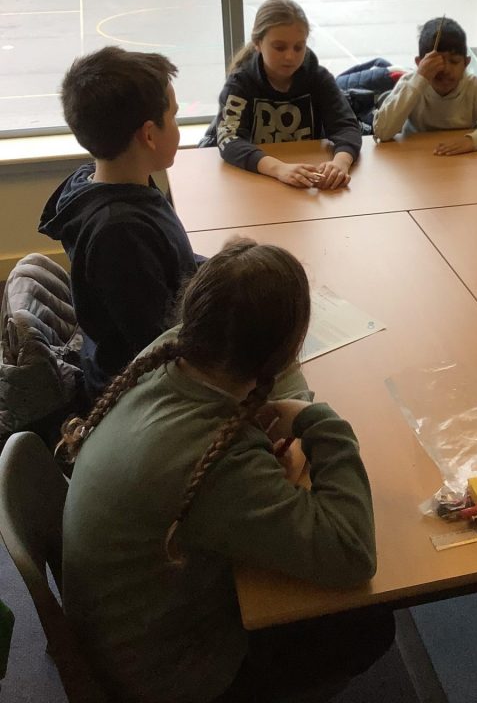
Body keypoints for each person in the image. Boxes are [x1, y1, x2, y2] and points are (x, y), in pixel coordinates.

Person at [60, 239, 394, 703]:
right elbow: (351, 553)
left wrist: (275, 394)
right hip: (172, 677)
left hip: (120, 628)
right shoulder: (216, 462)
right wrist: (318, 422)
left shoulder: (174, 351)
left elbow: (277, 381)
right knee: (369, 625)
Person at [39, 47, 198, 401]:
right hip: (136, 392)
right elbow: (159, 347)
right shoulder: (120, 233)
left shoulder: (117, 183)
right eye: (173, 116)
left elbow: (173, 263)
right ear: (149, 135)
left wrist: (224, 270)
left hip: (155, 350)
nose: (178, 126)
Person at [203, 0, 362, 190]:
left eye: (299, 47)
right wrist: (278, 169)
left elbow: (346, 126)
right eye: (279, 47)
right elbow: (230, 140)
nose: (290, 56)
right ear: (258, 43)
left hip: (305, 180)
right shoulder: (240, 84)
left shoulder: (319, 78)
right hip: (256, 182)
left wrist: (340, 163)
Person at [372, 17, 477, 154]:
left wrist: (474, 141)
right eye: (435, 62)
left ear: (466, 63)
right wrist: (420, 78)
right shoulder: (411, 83)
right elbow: (382, 132)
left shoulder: (474, 88)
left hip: (460, 161)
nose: (445, 70)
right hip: (416, 159)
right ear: (420, 63)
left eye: (454, 62)